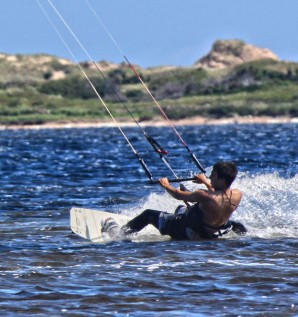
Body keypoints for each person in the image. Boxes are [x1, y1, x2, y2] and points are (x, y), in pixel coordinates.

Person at [102, 161, 247, 240]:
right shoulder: (237, 194)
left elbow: (177, 194)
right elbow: (219, 196)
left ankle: (119, 235)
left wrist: (166, 184)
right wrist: (205, 182)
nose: (210, 178)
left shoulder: (204, 195)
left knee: (148, 215)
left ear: (221, 179)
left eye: (213, 176)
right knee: (181, 209)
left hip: (188, 233)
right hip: (213, 231)